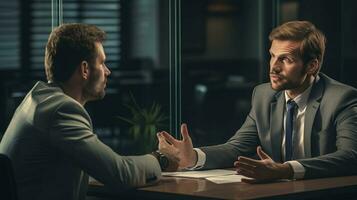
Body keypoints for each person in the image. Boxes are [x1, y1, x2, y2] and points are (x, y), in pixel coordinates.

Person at [157, 20, 357, 183]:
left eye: (285, 59)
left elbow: (350, 157)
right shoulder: (263, 95)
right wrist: (193, 156)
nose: (274, 67)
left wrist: (285, 170)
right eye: (272, 56)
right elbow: (237, 147)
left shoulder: (341, 99)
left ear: (312, 66)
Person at [0, 23, 176, 200]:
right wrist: (162, 159)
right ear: (84, 69)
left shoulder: (37, 99)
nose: (108, 71)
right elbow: (120, 174)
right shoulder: (61, 110)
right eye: (102, 63)